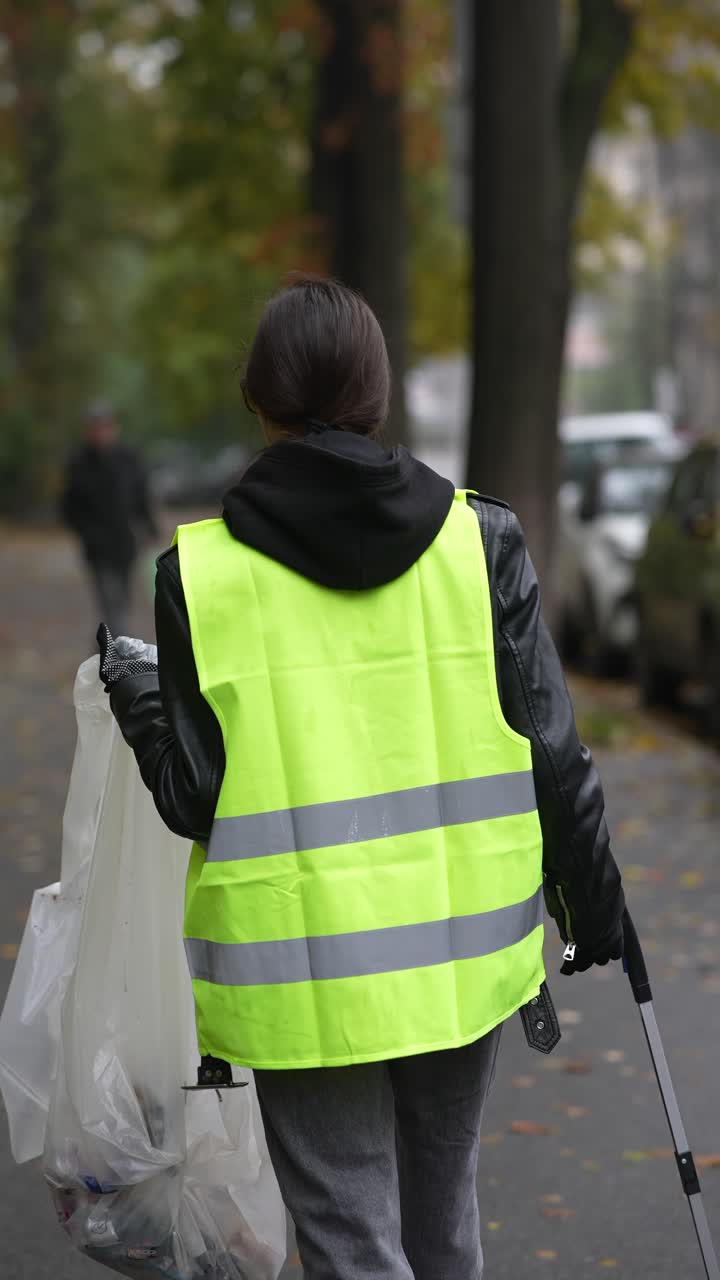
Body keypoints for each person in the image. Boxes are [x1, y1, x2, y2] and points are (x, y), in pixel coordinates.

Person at [97, 278, 624, 1280]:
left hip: (300, 975)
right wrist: (593, 903)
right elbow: (551, 744)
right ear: (377, 397)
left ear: (259, 399)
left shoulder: (196, 576)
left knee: (351, 1242)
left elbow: (190, 794)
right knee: (444, 1220)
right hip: (461, 952)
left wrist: (139, 695)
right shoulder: (481, 541)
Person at [61, 402, 157, 637]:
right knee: (110, 600)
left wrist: (150, 529)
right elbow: (69, 506)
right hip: (97, 548)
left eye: (104, 427)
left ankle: (105, 644)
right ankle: (119, 649)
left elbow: (141, 497)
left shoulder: (129, 458)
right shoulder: (79, 463)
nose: (100, 433)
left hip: (126, 544)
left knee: (122, 599)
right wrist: (86, 532)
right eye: (95, 427)